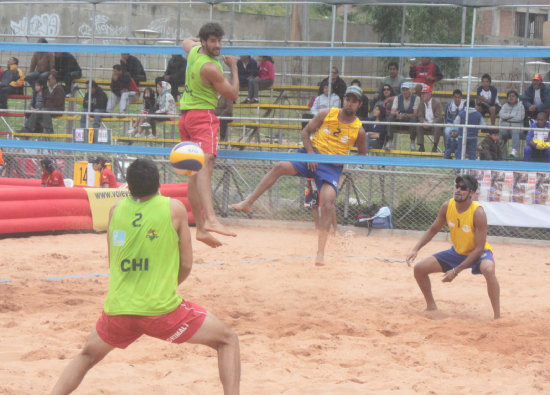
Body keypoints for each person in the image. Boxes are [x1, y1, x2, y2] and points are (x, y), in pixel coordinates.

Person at [50, 158, 240, 395]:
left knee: (87, 355)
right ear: (158, 182)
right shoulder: (174, 208)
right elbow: (187, 264)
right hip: (161, 310)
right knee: (228, 340)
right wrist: (165, 285)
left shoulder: (115, 210)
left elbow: (114, 263)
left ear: (127, 185)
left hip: (119, 309)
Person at [232, 86, 367, 266]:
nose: (349, 103)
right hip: (310, 156)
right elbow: (305, 132)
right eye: (347, 99)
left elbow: (363, 155)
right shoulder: (327, 114)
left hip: (330, 167)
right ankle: (248, 202)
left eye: (354, 100)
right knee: (279, 166)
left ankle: (320, 253)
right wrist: (311, 153)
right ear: (343, 100)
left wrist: (342, 161)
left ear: (359, 104)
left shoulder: (359, 130)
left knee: (327, 201)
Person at [406, 174, 500, 319]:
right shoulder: (447, 206)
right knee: (419, 269)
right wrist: (415, 248)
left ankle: (497, 316)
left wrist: (456, 271)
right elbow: (433, 230)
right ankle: (431, 305)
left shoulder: (478, 212)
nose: (458, 190)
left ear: (472, 193)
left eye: (463, 188)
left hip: (478, 253)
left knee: (488, 269)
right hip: (457, 252)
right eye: (457, 186)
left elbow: (479, 248)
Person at [179, 22, 239, 247]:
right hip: (202, 116)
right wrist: (233, 67)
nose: (218, 45)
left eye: (219, 41)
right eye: (213, 41)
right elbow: (232, 94)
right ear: (205, 42)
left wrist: (198, 40)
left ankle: (201, 228)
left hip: (186, 117)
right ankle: (211, 219)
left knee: (194, 173)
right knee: (206, 165)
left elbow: (186, 41)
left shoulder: (194, 51)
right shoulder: (211, 68)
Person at [387, 82, 420, 151]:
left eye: (407, 89)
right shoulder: (397, 97)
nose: (405, 92)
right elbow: (392, 111)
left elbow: (415, 113)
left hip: (409, 120)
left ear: (410, 90)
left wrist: (404, 115)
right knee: (390, 117)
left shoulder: (416, 98)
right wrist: (396, 114)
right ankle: (389, 141)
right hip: (399, 119)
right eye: (403, 90)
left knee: (414, 118)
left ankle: (412, 142)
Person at [416, 85, 443, 152]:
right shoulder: (421, 104)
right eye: (422, 94)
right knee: (418, 125)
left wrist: (430, 124)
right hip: (426, 122)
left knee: (437, 125)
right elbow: (420, 116)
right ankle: (421, 146)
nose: (422, 95)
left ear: (429, 94)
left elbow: (438, 117)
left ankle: (435, 146)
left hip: (434, 123)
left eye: (424, 93)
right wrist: (423, 122)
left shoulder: (437, 103)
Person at [498, 90, 525, 157]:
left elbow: (520, 117)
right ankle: (500, 152)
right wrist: (513, 115)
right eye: (509, 96)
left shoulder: (520, 106)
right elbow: (501, 115)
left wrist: (507, 118)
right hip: (505, 127)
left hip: (517, 128)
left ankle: (515, 151)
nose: (511, 98)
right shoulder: (504, 106)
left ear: (517, 98)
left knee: (515, 130)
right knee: (501, 132)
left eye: (513, 96)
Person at [444, 89, 466, 153]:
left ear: (461, 97)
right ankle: (447, 149)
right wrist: (453, 127)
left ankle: (461, 150)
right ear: (453, 97)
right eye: (455, 97)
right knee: (446, 131)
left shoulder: (465, 106)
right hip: (451, 124)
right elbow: (446, 118)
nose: (457, 99)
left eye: (459, 97)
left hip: (462, 125)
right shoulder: (449, 105)